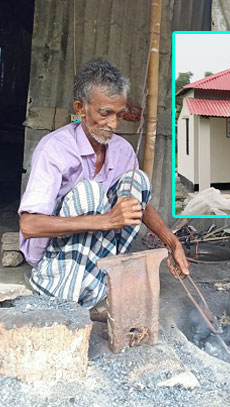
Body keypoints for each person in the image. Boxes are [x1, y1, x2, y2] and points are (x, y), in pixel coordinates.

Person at [18, 58, 189, 309]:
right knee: (90, 193)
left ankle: (90, 283)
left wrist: (172, 242)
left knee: (137, 180)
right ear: (81, 108)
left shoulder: (122, 151)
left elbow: (140, 204)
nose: (114, 124)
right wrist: (106, 220)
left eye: (120, 115)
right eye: (105, 113)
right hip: (54, 254)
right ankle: (61, 292)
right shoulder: (55, 149)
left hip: (96, 246)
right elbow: (29, 225)